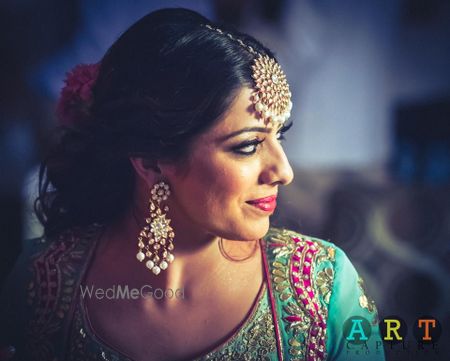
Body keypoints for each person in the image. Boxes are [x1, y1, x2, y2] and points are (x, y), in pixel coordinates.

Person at [0, 8, 385, 361]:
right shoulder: (42, 286)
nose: (284, 172)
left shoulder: (322, 287)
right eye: (248, 146)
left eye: (278, 137)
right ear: (151, 162)